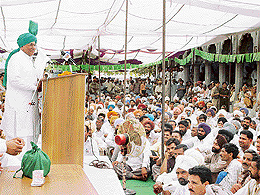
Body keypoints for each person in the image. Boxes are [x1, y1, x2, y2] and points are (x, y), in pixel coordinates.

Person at [2, 21, 47, 152]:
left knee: (29, 139)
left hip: (29, 107)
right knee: (19, 139)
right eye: (30, 44)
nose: (34, 47)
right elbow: (14, 80)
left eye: (35, 44)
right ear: (22, 46)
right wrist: (35, 87)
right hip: (19, 107)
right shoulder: (16, 58)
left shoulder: (28, 59)